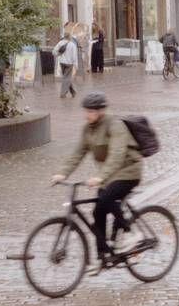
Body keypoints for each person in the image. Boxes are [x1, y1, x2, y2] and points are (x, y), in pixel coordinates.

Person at [52, 92, 143, 266]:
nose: (88, 114)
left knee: (106, 198)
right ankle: (102, 256)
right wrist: (62, 173)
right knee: (97, 211)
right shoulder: (88, 129)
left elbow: (117, 154)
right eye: (86, 111)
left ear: (101, 111)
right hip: (110, 175)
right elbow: (78, 153)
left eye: (92, 111)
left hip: (129, 170)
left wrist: (100, 177)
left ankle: (131, 232)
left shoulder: (115, 125)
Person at [53, 24, 82, 98]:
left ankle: (73, 92)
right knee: (67, 78)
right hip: (69, 63)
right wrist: (76, 66)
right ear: (69, 37)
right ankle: (63, 93)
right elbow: (74, 56)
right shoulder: (72, 44)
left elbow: (54, 52)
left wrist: (59, 54)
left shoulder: (60, 43)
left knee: (66, 78)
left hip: (62, 63)